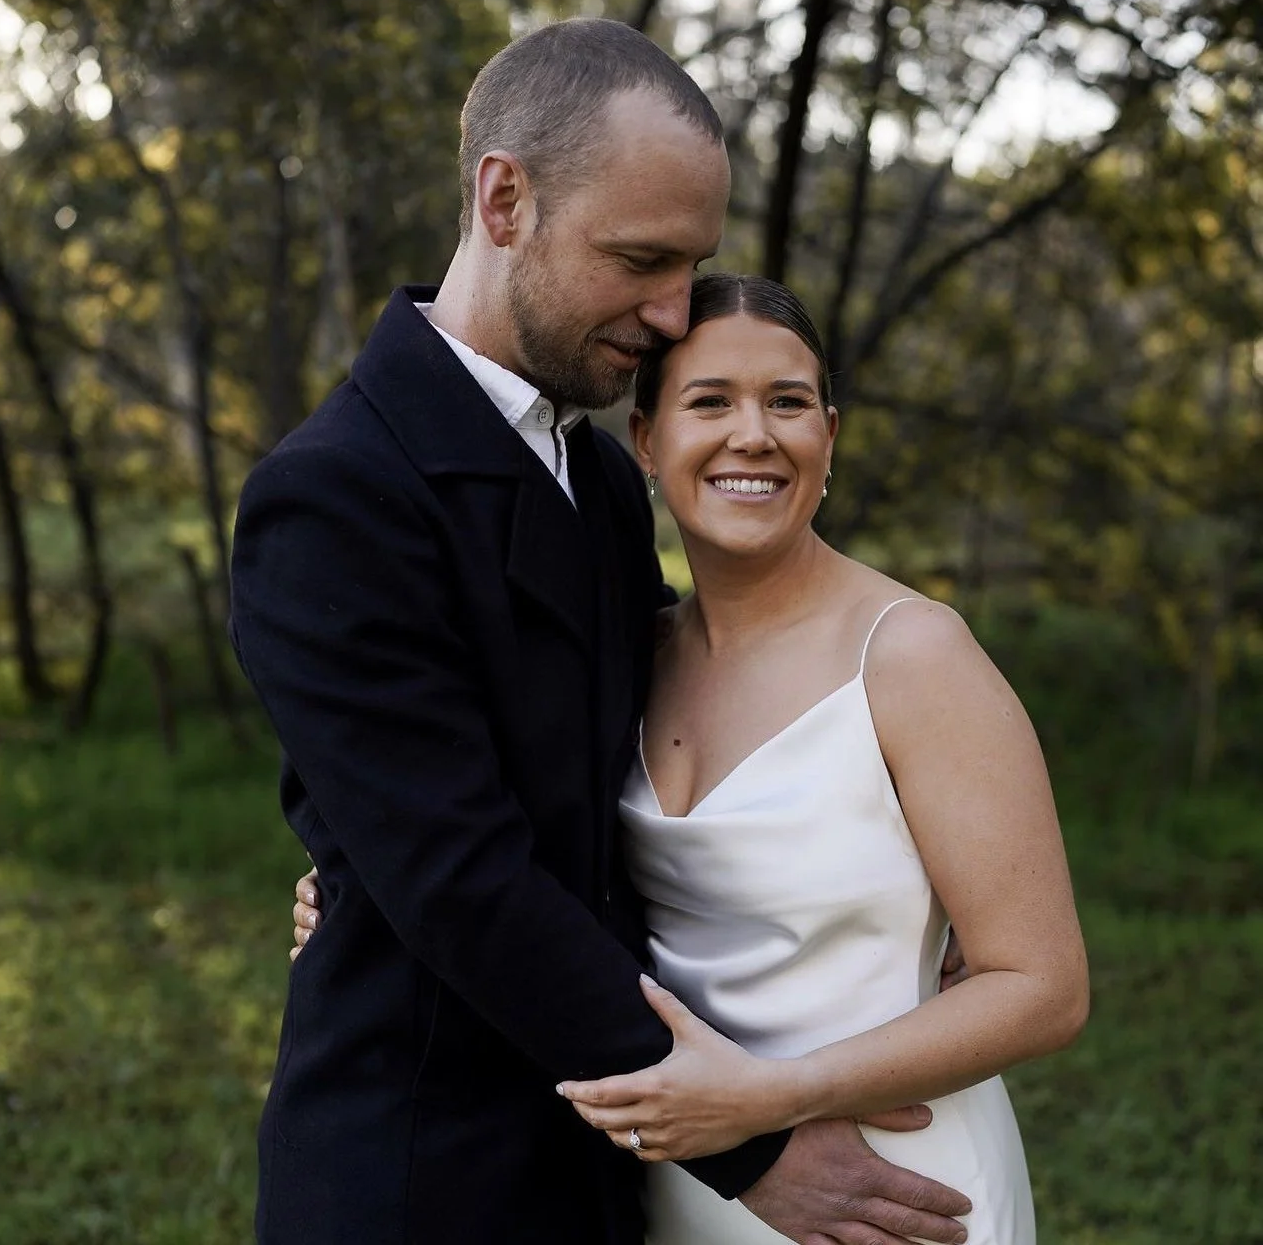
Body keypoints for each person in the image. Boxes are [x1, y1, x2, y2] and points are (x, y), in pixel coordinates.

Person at [230, 19, 973, 1245]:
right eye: (640, 260)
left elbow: (665, 755)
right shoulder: (336, 494)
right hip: (428, 1173)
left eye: (694, 266)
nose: (677, 314)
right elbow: (463, 882)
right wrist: (754, 1144)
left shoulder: (601, 480)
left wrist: (904, 905)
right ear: (505, 198)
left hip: (613, 1163)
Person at [292, 274, 1090, 1244]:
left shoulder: (915, 656)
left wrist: (774, 1097)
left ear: (828, 438)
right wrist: (357, 895)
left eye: (788, 402)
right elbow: (506, 844)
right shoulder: (633, 651)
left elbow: (1043, 987)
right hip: (677, 1189)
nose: (752, 434)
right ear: (645, 444)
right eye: (710, 401)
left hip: (885, 1183)